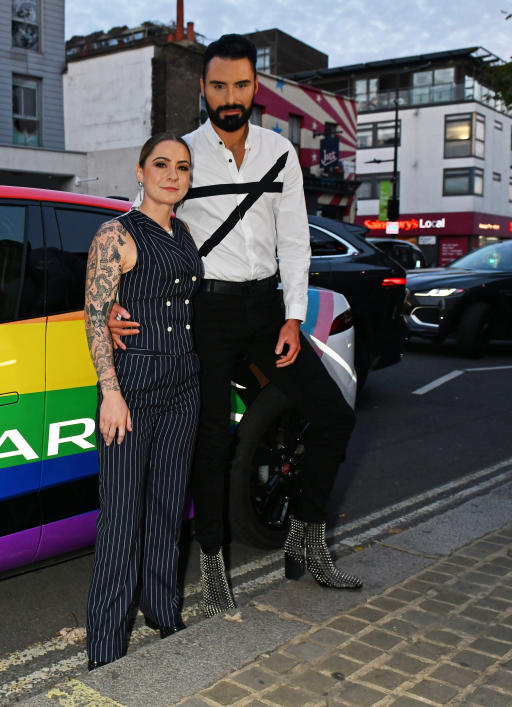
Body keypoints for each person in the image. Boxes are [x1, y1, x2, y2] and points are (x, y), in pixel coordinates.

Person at [109, 34, 361, 618]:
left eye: (241, 85)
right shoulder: (184, 153)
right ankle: (215, 565)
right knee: (211, 440)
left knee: (332, 414)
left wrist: (294, 317)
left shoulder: (280, 153)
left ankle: (306, 537)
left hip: (266, 307)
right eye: (218, 85)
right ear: (203, 88)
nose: (230, 96)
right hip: (204, 312)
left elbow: (296, 240)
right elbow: (140, 222)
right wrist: (118, 295)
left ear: (255, 88)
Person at [84, 133, 203, 670]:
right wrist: (111, 392)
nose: (172, 174)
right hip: (133, 384)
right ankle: (105, 648)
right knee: (121, 516)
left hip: (184, 383)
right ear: (140, 171)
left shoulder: (184, 235)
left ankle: (163, 613)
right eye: (161, 164)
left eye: (182, 166)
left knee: (169, 507)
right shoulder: (116, 234)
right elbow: (94, 318)